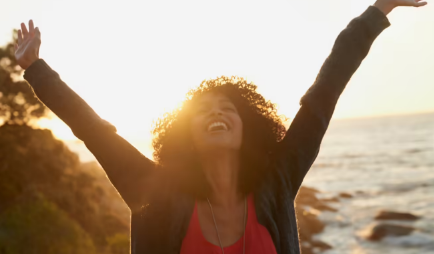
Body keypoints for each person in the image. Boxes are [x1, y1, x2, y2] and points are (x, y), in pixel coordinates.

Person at [15, 0, 427, 253]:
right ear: (185, 135)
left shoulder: (277, 181)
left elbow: (324, 93)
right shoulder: (155, 191)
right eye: (202, 111)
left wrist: (379, 10)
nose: (215, 114)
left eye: (227, 108)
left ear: (248, 126)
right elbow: (95, 130)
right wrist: (36, 69)